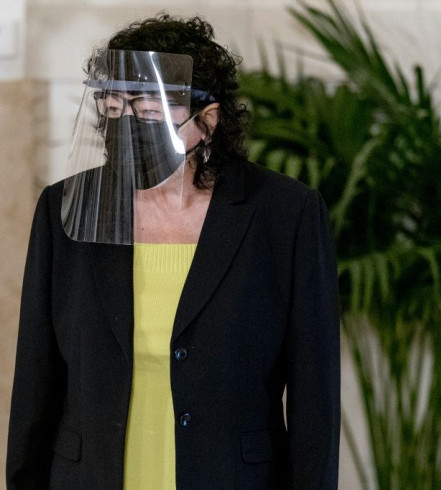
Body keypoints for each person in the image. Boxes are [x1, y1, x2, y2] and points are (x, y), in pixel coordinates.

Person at [6, 14, 340, 489]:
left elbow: (315, 403)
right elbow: (36, 384)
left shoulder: (285, 216)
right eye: (115, 107)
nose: (127, 126)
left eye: (146, 112)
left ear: (207, 120)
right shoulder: (65, 211)